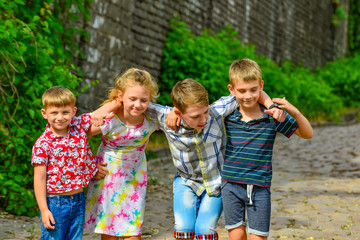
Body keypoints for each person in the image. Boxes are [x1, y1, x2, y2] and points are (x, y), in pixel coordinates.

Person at [92, 78, 284, 240]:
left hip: (215, 183)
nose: (203, 119)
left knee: (204, 230)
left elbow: (247, 92)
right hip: (186, 182)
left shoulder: (216, 112)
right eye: (194, 116)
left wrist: (271, 105)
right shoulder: (165, 117)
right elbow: (133, 101)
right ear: (178, 112)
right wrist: (107, 108)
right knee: (183, 229)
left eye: (205, 112)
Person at [221, 58, 313, 240]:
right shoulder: (228, 115)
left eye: (253, 90)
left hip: (260, 188)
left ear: (261, 86)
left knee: (258, 237)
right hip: (230, 185)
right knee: (236, 235)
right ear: (231, 90)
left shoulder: (273, 117)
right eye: (242, 91)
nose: (248, 95)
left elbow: (307, 133)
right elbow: (201, 111)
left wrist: (294, 112)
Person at [84, 68, 159, 240]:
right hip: (108, 177)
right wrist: (89, 166)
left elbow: (173, 118)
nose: (137, 105)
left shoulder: (151, 119)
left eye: (144, 100)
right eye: (132, 99)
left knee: (133, 231)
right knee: (110, 231)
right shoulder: (110, 119)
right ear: (121, 96)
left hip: (135, 179)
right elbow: (78, 135)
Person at [32, 86, 106, 240]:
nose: (60, 117)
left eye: (65, 112)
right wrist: (44, 210)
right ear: (44, 114)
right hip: (55, 202)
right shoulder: (43, 144)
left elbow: (101, 114)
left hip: (78, 199)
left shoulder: (77, 129)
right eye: (54, 113)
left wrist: (120, 100)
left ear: (73, 111)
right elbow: (39, 179)